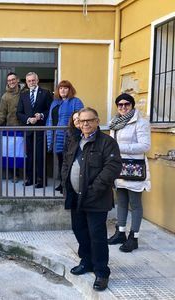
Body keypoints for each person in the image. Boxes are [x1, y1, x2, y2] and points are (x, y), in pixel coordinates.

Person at [61, 107, 122, 292]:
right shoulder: (75, 140)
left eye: (90, 120)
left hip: (96, 198)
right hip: (75, 197)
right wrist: (66, 185)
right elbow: (66, 163)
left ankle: (102, 272)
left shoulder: (107, 142)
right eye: (82, 120)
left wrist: (93, 189)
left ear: (97, 121)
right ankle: (86, 261)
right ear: (78, 122)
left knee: (97, 236)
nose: (85, 124)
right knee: (79, 231)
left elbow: (112, 168)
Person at [107, 93, 151, 253]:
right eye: (120, 105)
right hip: (119, 167)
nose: (123, 107)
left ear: (132, 105)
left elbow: (145, 146)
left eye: (126, 104)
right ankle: (120, 233)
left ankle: (134, 237)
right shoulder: (115, 122)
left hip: (134, 168)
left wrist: (119, 148)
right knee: (122, 201)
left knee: (135, 203)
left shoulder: (140, 122)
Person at [16, 72, 53, 188]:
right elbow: (19, 113)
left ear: (37, 81)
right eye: (29, 81)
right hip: (28, 130)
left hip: (41, 130)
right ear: (26, 83)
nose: (31, 82)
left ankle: (42, 180)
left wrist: (41, 115)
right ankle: (30, 179)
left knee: (40, 156)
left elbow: (50, 110)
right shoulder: (23, 95)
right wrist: (28, 119)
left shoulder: (46, 93)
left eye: (33, 80)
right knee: (30, 156)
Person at [47, 80, 84, 193]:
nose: (63, 90)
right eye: (60, 88)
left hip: (69, 136)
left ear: (70, 89)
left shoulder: (76, 101)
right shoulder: (55, 103)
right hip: (56, 136)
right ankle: (62, 183)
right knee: (61, 161)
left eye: (65, 88)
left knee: (70, 161)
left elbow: (80, 118)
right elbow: (50, 119)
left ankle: (68, 185)